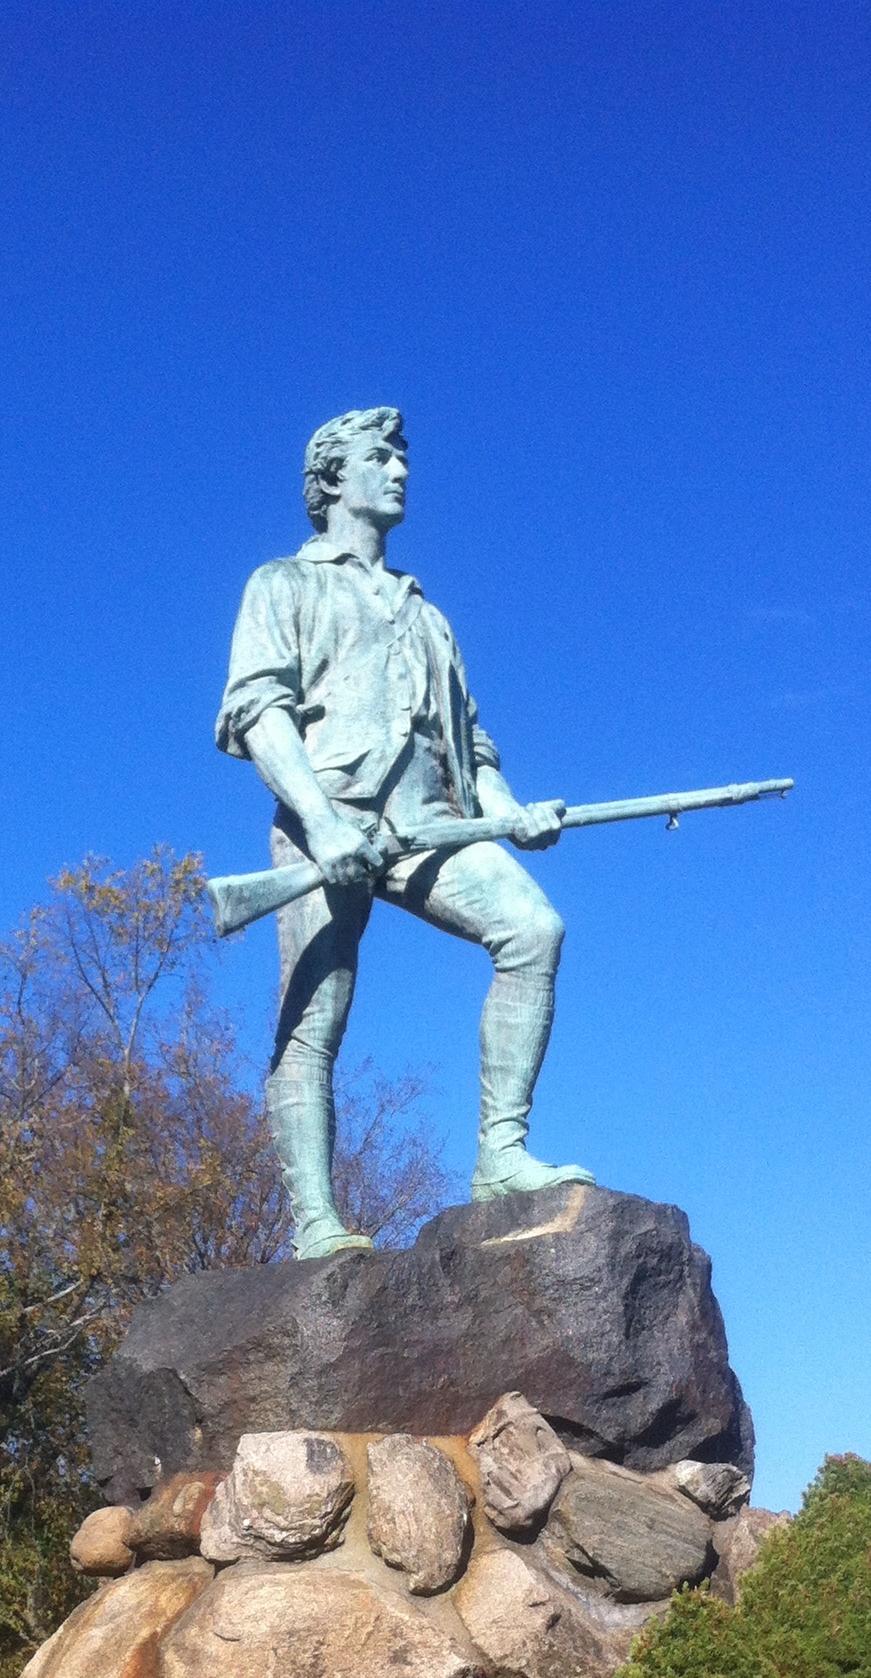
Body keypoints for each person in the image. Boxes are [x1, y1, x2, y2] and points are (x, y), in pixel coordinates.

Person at [217, 406, 592, 1259]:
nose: (399, 470)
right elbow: (258, 712)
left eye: (401, 457)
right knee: (315, 1019)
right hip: (327, 825)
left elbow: (470, 745)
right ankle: (315, 1218)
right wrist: (321, 823)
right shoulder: (283, 583)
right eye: (379, 457)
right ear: (331, 478)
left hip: (429, 826)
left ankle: (500, 1154)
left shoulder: (428, 616)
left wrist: (509, 809)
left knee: (534, 929)